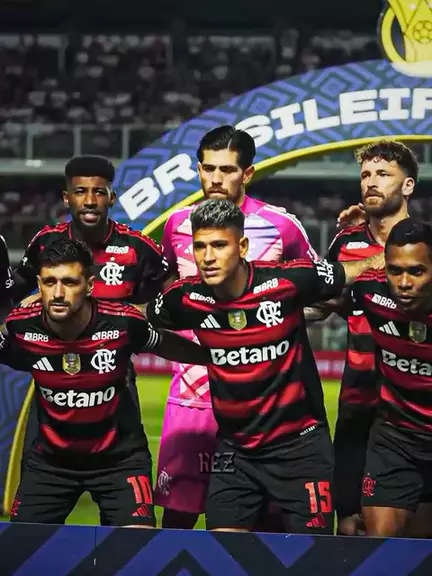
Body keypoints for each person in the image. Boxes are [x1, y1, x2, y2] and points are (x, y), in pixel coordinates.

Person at [146, 199, 384, 533]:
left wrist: (387, 245)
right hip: (235, 451)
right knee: (221, 551)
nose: (208, 257)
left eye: (219, 245)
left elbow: (356, 270)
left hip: (301, 449)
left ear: (242, 246)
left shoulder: (290, 280)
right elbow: (142, 324)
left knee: (311, 554)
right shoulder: (183, 298)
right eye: (200, 246)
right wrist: (202, 355)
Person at [156, 125, 317, 530]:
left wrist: (277, 318)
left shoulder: (281, 226)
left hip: (261, 405)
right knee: (177, 519)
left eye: (227, 170)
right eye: (208, 168)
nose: (216, 179)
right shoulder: (177, 224)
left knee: (265, 526)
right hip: (192, 396)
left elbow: (317, 293)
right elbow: (166, 294)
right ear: (198, 169)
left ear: (247, 173)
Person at [4, 154, 174, 513]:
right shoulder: (46, 241)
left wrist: (135, 315)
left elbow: (172, 300)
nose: (90, 200)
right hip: (52, 375)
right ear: (67, 198)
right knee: (32, 505)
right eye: (81, 191)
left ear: (111, 197)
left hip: (112, 373)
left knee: (123, 464)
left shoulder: (137, 247)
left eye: (99, 192)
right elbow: (17, 291)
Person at [1, 238, 209, 526]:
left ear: (89, 285)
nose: (58, 293)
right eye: (50, 282)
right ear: (39, 284)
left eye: (69, 282)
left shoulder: (123, 322)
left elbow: (164, 344)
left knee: (138, 544)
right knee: (20, 545)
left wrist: (216, 357)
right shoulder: (20, 327)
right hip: (50, 464)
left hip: (119, 462)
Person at [319, 140, 418, 535]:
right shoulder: (344, 244)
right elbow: (325, 303)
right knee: (350, 525)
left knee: (410, 531)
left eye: (383, 174)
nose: (371, 182)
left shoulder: (423, 246)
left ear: (408, 186)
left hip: (413, 406)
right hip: (358, 398)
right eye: (365, 175)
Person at [352, 219, 432, 537]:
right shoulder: (369, 290)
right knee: (379, 547)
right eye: (395, 271)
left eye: (416, 271)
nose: (404, 283)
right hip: (395, 438)